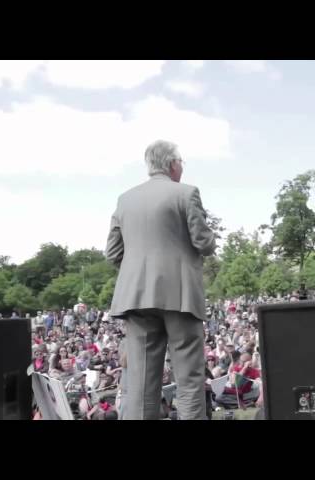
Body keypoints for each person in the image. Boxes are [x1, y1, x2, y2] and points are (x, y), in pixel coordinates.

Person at [105, 140, 216, 420]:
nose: (182, 167)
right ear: (172, 164)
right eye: (181, 162)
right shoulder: (186, 193)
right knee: (189, 380)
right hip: (179, 295)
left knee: (140, 386)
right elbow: (203, 242)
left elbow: (113, 253)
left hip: (136, 298)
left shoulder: (125, 199)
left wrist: (137, 270)